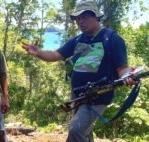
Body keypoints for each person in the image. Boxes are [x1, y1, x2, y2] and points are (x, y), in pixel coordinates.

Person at [22, 0, 136, 142]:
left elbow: (122, 69)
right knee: (85, 133)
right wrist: (38, 52)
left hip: (98, 96)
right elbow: (55, 55)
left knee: (76, 129)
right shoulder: (77, 40)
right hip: (78, 95)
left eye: (85, 17)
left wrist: (128, 76)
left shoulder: (112, 39)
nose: (80, 21)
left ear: (96, 16)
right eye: (77, 18)